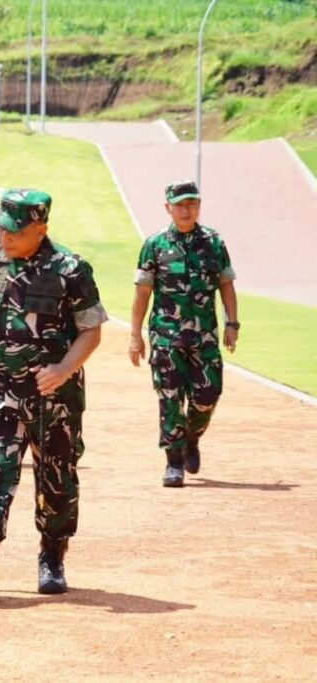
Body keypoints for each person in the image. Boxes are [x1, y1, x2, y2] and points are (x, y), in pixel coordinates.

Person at [0, 189, 108, 602]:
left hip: (53, 397)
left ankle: (52, 556)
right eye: (0, 229)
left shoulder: (71, 268)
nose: (4, 238)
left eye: (14, 231)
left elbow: (91, 330)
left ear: (40, 229)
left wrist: (65, 369)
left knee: (56, 480)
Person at [129, 180, 238, 488]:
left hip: (204, 338)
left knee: (208, 396)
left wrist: (232, 323)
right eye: (179, 204)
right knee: (170, 400)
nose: (186, 209)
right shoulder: (155, 245)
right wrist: (135, 335)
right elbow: (142, 292)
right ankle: (173, 462)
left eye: (191, 203)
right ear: (168, 208)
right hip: (166, 338)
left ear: (199, 206)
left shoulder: (214, 243)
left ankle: (192, 437)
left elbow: (226, 284)